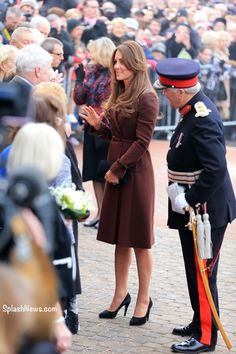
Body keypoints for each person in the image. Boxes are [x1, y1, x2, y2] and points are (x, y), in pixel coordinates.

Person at [154, 58, 236, 353]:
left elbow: (214, 169)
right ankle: (199, 319)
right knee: (193, 268)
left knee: (203, 271)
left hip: (205, 209)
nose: (164, 94)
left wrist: (189, 198)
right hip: (193, 207)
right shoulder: (191, 109)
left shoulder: (201, 117)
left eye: (166, 89)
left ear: (179, 90)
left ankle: (205, 337)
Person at [80, 40, 159, 326]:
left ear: (136, 63)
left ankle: (143, 298)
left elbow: (142, 142)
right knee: (119, 238)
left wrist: (117, 168)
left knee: (139, 240)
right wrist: (98, 126)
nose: (116, 66)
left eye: (122, 62)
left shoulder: (147, 96)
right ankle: (119, 294)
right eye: (114, 61)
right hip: (117, 169)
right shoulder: (121, 92)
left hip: (135, 174)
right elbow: (116, 134)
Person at [73, 36, 116, 229]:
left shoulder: (113, 75)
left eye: (93, 51)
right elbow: (79, 98)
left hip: (105, 129)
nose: (90, 54)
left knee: (105, 171)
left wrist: (95, 117)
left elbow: (109, 103)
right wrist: (80, 80)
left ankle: (108, 215)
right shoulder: (91, 72)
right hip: (91, 128)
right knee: (94, 172)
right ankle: (100, 214)